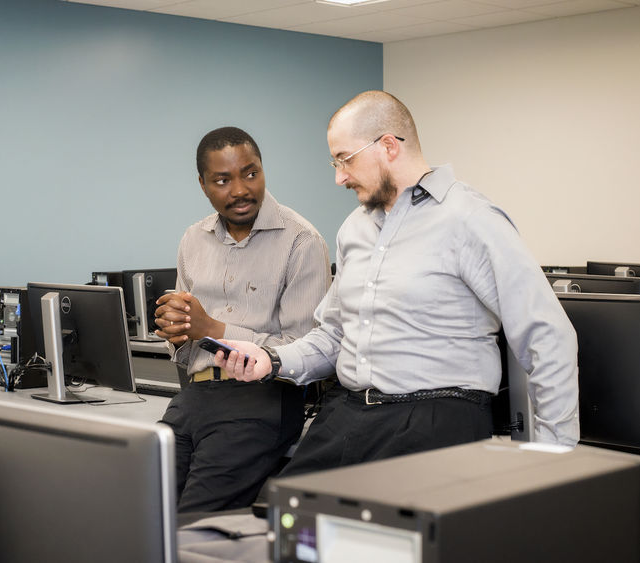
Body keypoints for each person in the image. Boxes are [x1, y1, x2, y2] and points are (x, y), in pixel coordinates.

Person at [214, 91, 579, 478]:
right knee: (281, 517)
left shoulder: (470, 219)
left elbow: (547, 337)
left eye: (345, 159)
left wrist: (556, 461)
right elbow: (335, 336)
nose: (339, 177)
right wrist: (270, 358)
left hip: (437, 416)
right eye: (334, 162)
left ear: (388, 146)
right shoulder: (355, 228)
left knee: (393, 531)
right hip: (349, 414)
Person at [153, 126, 331, 512]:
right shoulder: (193, 239)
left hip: (261, 402)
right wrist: (179, 332)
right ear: (202, 185)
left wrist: (212, 329)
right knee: (143, 510)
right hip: (194, 395)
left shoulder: (302, 241)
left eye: (251, 173)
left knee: (190, 522)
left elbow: (309, 350)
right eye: (222, 180)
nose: (240, 189)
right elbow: (184, 344)